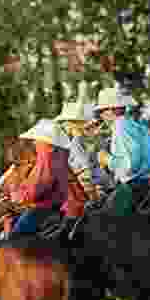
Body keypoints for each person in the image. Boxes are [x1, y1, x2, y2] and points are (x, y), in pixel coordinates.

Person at [89, 87, 150, 216]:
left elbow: (129, 165)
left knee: (100, 222)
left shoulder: (120, 126)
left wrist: (107, 159)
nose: (101, 115)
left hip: (132, 188)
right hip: (146, 185)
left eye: (102, 111)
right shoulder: (137, 125)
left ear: (112, 109)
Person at [6, 119, 69, 239]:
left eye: (36, 139)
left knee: (13, 240)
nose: (34, 142)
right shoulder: (59, 153)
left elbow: (36, 190)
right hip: (58, 204)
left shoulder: (46, 157)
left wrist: (19, 196)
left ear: (43, 140)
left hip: (43, 208)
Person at [53, 99, 107, 233]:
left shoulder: (76, 142)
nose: (65, 126)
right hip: (97, 184)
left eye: (67, 123)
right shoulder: (86, 141)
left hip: (86, 190)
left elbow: (86, 167)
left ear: (74, 124)